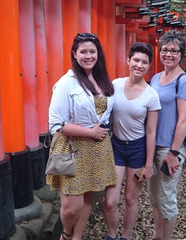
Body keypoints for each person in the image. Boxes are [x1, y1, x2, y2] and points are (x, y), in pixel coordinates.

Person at [47, 33, 117, 240]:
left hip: (97, 149)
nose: (88, 56)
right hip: (71, 149)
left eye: (92, 51)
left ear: (98, 54)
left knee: (87, 198)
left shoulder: (103, 79)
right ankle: (66, 235)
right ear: (74, 55)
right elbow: (55, 124)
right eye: (83, 52)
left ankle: (77, 238)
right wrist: (91, 132)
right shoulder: (66, 83)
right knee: (71, 207)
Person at [103, 43, 161, 240]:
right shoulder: (115, 85)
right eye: (136, 60)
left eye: (144, 62)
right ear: (128, 60)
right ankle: (111, 235)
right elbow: (103, 113)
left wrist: (148, 164)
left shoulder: (151, 95)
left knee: (130, 198)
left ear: (149, 66)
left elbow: (151, 131)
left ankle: (125, 237)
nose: (139, 65)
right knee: (110, 201)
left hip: (138, 149)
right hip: (117, 147)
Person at [147, 30, 186, 240]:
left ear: (181, 54)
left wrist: (174, 152)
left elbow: (183, 119)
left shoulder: (183, 81)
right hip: (152, 147)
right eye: (165, 49)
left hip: (168, 148)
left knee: (167, 198)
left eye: (174, 51)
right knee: (154, 197)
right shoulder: (156, 77)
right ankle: (158, 235)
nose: (169, 54)